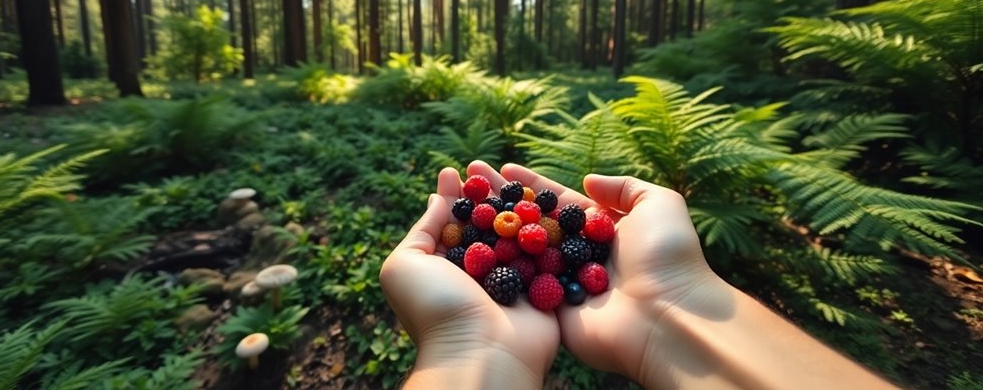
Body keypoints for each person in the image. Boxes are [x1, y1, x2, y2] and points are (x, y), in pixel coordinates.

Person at [379, 160, 899, 390]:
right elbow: (531, 259)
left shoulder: (558, 244)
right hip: (536, 267)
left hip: (563, 268)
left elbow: (552, 256)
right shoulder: (505, 240)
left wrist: (467, 354)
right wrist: (472, 342)